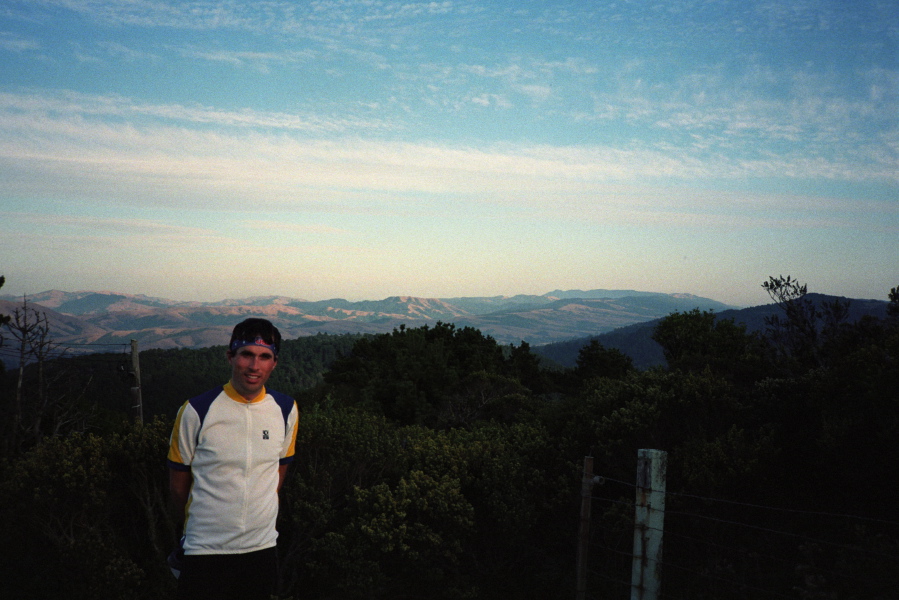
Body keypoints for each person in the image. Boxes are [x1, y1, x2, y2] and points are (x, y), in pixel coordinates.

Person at [167, 318, 299, 600]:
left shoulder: (286, 409)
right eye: (246, 354)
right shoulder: (196, 411)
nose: (254, 366)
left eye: (264, 357)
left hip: (261, 549)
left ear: (274, 363)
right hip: (205, 551)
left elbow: (278, 470)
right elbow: (178, 487)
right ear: (230, 357)